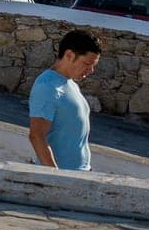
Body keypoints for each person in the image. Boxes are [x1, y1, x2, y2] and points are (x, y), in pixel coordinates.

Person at [29, 30, 102, 172]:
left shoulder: (70, 83)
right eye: (87, 63)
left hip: (80, 173)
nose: (91, 70)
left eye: (93, 65)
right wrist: (57, 178)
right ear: (69, 55)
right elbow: (36, 136)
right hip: (65, 177)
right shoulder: (47, 86)